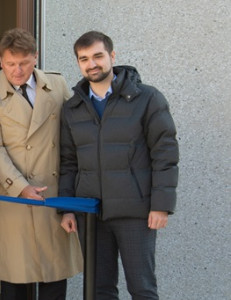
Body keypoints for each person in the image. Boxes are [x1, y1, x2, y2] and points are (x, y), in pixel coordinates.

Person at [59, 31, 178, 300]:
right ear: (78, 63)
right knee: (100, 290)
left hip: (135, 212)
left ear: (112, 56)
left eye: (98, 56)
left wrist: (161, 204)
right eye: (84, 58)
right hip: (91, 215)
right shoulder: (72, 108)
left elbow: (165, 153)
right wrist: (67, 209)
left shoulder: (147, 99)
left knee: (142, 289)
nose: (92, 64)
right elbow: (68, 162)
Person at [0, 28, 83, 300]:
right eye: (10, 64)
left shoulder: (57, 85)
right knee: (16, 277)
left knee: (54, 276)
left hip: (53, 192)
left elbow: (75, 136)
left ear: (35, 57)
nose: (17, 70)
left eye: (23, 63)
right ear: (0, 61)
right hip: (14, 196)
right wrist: (21, 186)